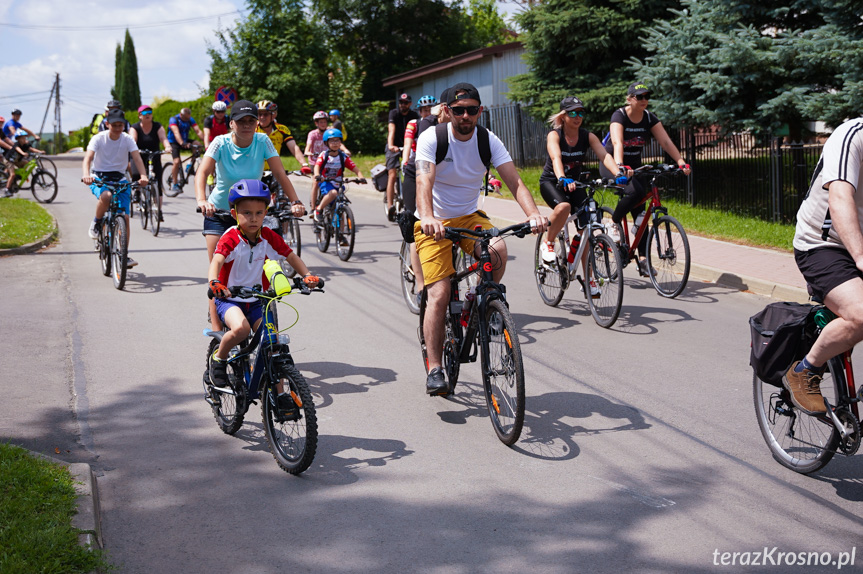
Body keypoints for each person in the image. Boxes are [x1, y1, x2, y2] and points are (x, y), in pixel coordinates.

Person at [414, 82, 548, 395]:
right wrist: (429, 217)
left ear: (479, 111)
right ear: (447, 111)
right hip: (434, 219)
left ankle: (483, 302)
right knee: (439, 293)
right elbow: (424, 179)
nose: (465, 116)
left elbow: (515, 182)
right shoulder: (432, 137)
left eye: (471, 110)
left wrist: (533, 214)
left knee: (498, 250)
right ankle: (435, 367)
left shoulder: (487, 140)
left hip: (468, 216)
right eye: (458, 110)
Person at [207, 179, 320, 411]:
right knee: (241, 330)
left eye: (259, 213)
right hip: (229, 299)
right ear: (234, 213)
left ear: (266, 213)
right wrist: (215, 282)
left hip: (257, 300)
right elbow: (217, 260)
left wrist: (307, 275)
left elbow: (289, 256)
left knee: (273, 342)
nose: (253, 218)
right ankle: (219, 360)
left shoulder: (267, 235)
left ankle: (280, 395)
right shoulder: (230, 237)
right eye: (246, 213)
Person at [195, 100, 306, 332]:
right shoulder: (220, 142)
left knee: (262, 265)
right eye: (241, 121)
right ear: (231, 123)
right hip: (220, 211)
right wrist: (202, 200)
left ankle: (262, 330)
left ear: (257, 124)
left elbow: (279, 173)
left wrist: (295, 201)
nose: (247, 125)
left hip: (251, 212)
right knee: (218, 272)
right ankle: (217, 336)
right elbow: (203, 172)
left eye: (251, 121)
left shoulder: (262, 140)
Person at [784, 116, 863, 415]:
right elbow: (840, 197)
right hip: (823, 244)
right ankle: (804, 370)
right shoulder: (851, 135)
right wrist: (859, 256)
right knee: (860, 314)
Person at [538, 96, 629, 296]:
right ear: (563, 116)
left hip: (576, 184)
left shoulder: (587, 136)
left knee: (586, 230)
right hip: (553, 182)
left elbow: (604, 155)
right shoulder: (555, 135)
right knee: (563, 208)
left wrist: (617, 174)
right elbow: (556, 157)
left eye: (581, 112)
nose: (578, 116)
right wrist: (562, 177)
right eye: (573, 112)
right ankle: (548, 243)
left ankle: (588, 279)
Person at [602, 82, 690, 274]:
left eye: (646, 97)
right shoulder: (620, 115)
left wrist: (680, 161)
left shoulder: (649, 117)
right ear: (629, 99)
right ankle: (613, 222)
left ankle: (643, 260)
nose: (644, 100)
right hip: (612, 164)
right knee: (635, 192)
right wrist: (619, 167)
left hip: (636, 167)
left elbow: (665, 141)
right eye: (639, 97)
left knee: (641, 212)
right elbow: (617, 142)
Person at [81, 108, 149, 267]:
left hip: (119, 177)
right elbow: (88, 158)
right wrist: (86, 174)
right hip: (99, 175)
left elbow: (137, 159)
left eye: (121, 125)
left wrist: (143, 176)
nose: (118, 129)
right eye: (114, 125)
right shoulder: (99, 138)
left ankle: (124, 255)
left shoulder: (127, 139)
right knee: (106, 196)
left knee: (125, 218)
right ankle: (97, 222)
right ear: (107, 124)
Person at [311, 128, 366, 223]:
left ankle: (340, 235)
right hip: (325, 182)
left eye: (337, 140)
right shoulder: (324, 155)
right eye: (332, 141)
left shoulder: (343, 156)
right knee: (333, 193)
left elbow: (355, 169)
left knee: (341, 207)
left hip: (338, 183)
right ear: (326, 143)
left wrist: (361, 177)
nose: (335, 143)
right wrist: (317, 175)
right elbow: (317, 166)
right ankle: (318, 209)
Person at [129, 105, 170, 215]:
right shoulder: (135, 128)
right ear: (139, 116)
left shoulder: (157, 126)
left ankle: (159, 210)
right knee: (137, 174)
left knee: (157, 181)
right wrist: (134, 149)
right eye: (144, 113)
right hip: (139, 156)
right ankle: (137, 192)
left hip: (154, 156)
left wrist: (167, 146)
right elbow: (133, 140)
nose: (148, 115)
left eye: (150, 112)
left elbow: (163, 138)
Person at [385, 93, 419, 221]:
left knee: (411, 170)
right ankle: (390, 205)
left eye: (405, 103)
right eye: (401, 102)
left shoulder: (414, 116)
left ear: (410, 104)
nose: (402, 105)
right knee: (392, 174)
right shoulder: (394, 113)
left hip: (408, 146)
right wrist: (390, 145)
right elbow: (391, 130)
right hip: (394, 145)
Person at [255, 100, 311, 174]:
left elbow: (293, 147)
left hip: (274, 171)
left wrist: (304, 164)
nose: (262, 117)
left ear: (273, 115)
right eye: (259, 114)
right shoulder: (253, 128)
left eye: (266, 114)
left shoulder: (282, 129)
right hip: (255, 171)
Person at [167, 107, 205, 192]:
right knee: (176, 161)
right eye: (185, 118)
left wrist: (206, 142)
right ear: (181, 115)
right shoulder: (174, 119)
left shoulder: (190, 119)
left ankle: (190, 166)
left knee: (198, 145)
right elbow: (176, 132)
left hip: (184, 139)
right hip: (174, 141)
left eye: (188, 118)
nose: (187, 119)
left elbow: (198, 131)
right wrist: (182, 143)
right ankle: (175, 184)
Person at [3, 130, 45, 196]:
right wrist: (23, 153)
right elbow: (17, 149)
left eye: (25, 137)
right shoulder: (16, 144)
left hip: (17, 161)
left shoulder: (25, 145)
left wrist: (39, 151)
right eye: (22, 138)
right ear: (18, 139)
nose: (24, 139)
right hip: (9, 160)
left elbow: (31, 149)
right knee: (12, 174)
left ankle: (19, 176)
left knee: (27, 163)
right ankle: (7, 190)